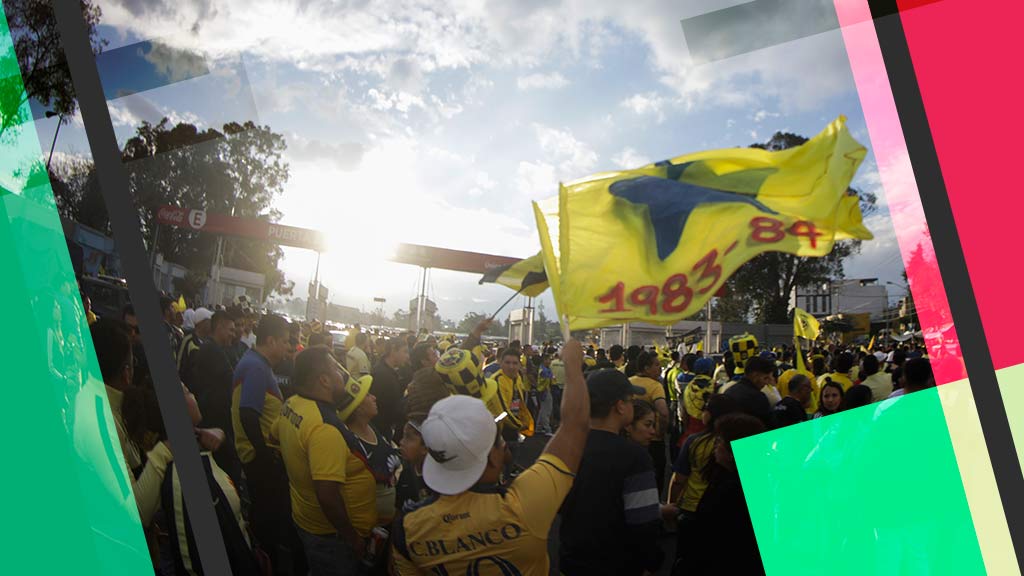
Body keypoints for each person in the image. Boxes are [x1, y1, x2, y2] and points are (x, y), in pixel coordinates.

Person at [391, 339, 588, 575]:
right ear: (493, 458)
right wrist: (573, 366)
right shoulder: (525, 505)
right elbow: (575, 425)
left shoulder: (408, 527)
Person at [273, 346, 376, 576]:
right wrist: (352, 538)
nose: (343, 375)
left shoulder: (292, 403)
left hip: (304, 518)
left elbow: (273, 435)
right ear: (325, 381)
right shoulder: (324, 428)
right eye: (337, 371)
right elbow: (327, 496)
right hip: (330, 536)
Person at [559, 369, 662, 576]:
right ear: (620, 407)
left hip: (572, 559)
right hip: (618, 563)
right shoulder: (635, 457)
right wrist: (652, 562)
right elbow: (643, 522)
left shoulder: (567, 446)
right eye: (631, 400)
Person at [162, 384, 265, 575]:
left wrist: (220, 434)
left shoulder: (199, 445)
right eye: (187, 391)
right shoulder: (187, 477)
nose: (194, 393)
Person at [230, 314, 302, 575]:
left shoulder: (256, 364)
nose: (287, 347)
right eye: (284, 341)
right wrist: (263, 454)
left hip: (262, 456)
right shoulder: (257, 367)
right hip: (262, 460)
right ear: (270, 340)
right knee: (268, 519)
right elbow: (248, 413)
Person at [90, 318, 173, 529]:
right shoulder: (100, 420)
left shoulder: (104, 403)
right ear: (126, 373)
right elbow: (135, 511)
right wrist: (164, 451)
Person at [667, 394, 739, 575]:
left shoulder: (695, 441)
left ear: (710, 414)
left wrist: (671, 504)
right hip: (725, 511)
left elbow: (679, 480)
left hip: (692, 507)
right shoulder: (738, 441)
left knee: (688, 558)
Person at [687, 414, 767, 575]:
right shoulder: (758, 481)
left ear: (732, 452)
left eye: (719, 442)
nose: (715, 446)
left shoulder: (731, 491)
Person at [188, 310, 243, 482]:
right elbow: (232, 380)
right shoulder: (212, 350)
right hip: (214, 420)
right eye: (231, 330)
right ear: (219, 328)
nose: (233, 335)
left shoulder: (216, 349)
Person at [628, 350, 671, 494]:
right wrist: (661, 432)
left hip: (631, 437)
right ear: (646, 368)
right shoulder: (655, 386)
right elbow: (663, 412)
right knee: (655, 478)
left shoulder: (628, 382)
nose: (659, 368)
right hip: (653, 441)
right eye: (656, 365)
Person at [371, 338, 410, 442]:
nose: (407, 356)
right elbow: (387, 407)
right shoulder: (382, 375)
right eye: (405, 351)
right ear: (393, 350)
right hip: (381, 429)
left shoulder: (388, 371)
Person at [723, 356, 775, 426]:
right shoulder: (758, 398)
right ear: (755, 375)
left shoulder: (729, 391)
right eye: (765, 378)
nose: (767, 383)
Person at [178, 307, 212, 378]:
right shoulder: (187, 341)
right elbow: (179, 365)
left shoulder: (209, 342)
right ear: (202, 323)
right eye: (210, 321)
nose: (212, 324)